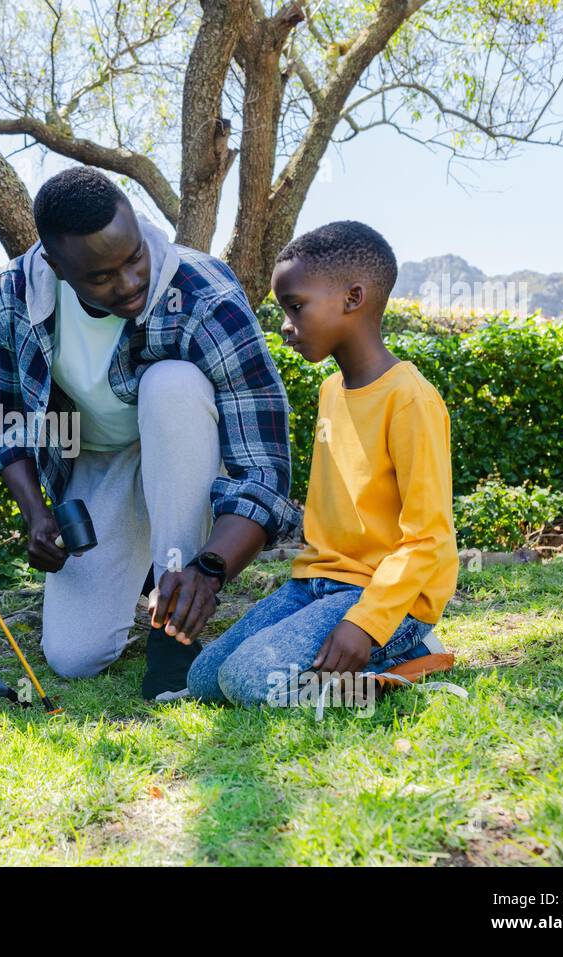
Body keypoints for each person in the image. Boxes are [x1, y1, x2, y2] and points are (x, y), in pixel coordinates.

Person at [0, 166, 298, 699]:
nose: (128, 285)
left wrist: (209, 570)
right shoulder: (13, 295)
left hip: (187, 448)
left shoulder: (204, 290)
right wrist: (37, 514)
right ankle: (152, 577)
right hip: (101, 461)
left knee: (171, 383)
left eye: (134, 259)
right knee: (73, 656)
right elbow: (2, 414)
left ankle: (173, 631)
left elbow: (263, 462)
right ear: (56, 265)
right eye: (101, 277)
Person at [187, 221, 458, 707]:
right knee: (206, 678)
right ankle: (367, 654)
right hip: (316, 585)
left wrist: (365, 624)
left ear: (353, 298)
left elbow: (428, 538)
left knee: (249, 681)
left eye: (296, 307)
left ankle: (405, 652)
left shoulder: (410, 399)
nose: (286, 326)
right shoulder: (331, 390)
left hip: (386, 601)